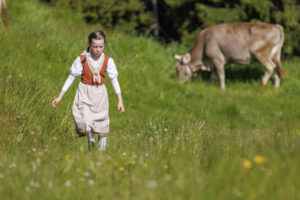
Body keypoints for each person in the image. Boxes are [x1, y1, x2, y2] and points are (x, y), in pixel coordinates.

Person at [52, 30, 125, 151]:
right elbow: (71, 77)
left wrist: (120, 101)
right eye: (95, 46)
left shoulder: (108, 61)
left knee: (101, 123)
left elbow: (114, 80)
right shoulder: (82, 59)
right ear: (90, 45)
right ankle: (90, 141)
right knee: (85, 117)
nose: (98, 50)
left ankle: (101, 153)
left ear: (104, 46)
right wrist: (60, 96)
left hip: (100, 94)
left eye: (101, 47)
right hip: (84, 92)